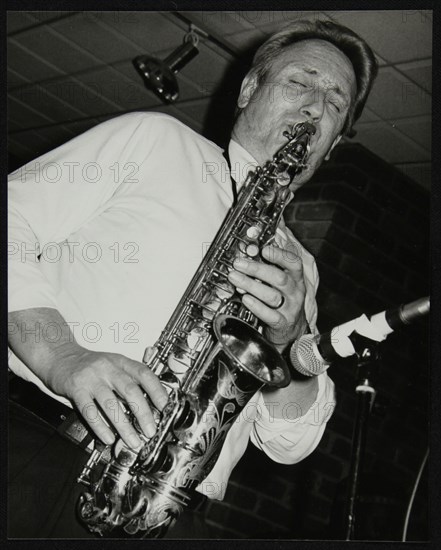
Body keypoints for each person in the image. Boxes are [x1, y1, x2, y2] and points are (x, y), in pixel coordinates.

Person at [7, 19, 378, 538]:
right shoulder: (155, 139)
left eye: (336, 103)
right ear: (250, 90)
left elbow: (291, 443)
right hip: (35, 449)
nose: (316, 106)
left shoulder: (301, 268)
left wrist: (289, 338)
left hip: (164, 507)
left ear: (334, 144)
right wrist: (64, 359)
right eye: (300, 82)